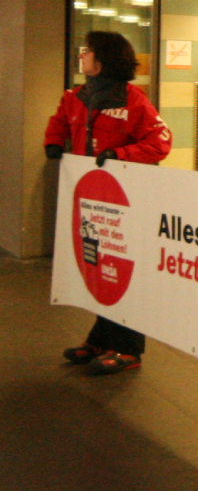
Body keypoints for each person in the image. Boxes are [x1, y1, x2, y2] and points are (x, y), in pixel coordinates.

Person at [46, 31, 172, 375]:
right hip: (90, 200)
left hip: (124, 203)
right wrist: (54, 142)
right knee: (99, 270)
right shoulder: (77, 97)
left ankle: (129, 347)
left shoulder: (134, 101)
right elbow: (59, 122)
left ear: (103, 60)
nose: (82, 57)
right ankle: (101, 338)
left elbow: (160, 142)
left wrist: (120, 154)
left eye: (87, 52)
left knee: (123, 273)